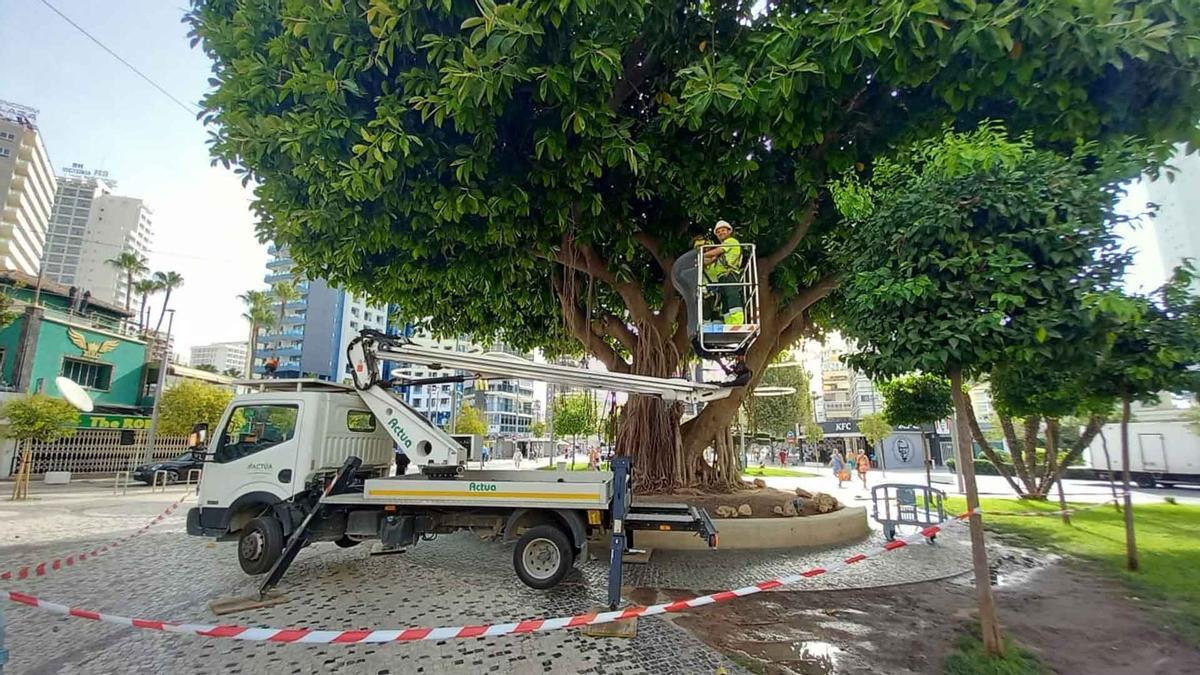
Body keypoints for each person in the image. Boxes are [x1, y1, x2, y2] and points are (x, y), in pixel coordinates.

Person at [703, 221, 745, 326]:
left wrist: (701, 253)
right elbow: (711, 260)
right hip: (722, 277)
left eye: (723, 230)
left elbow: (715, 252)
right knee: (725, 300)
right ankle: (729, 321)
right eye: (718, 232)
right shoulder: (723, 250)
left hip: (730, 274)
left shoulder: (731, 241)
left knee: (732, 296)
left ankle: (737, 321)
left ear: (729, 231)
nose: (721, 233)